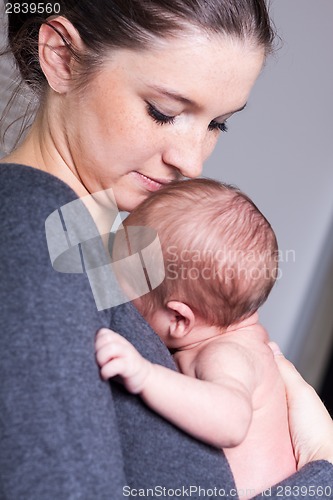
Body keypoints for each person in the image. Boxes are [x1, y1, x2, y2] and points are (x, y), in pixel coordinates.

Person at [0, 1, 333, 499]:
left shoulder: (96, 254)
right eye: (165, 112)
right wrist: (320, 471)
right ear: (62, 56)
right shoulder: (33, 227)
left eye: (218, 123)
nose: (192, 161)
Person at [95, 178, 297, 498]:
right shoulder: (220, 337)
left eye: (123, 290)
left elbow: (231, 421)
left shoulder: (227, 354)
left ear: (178, 319)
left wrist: (145, 375)